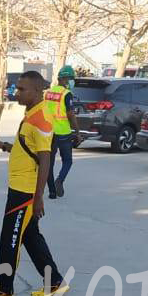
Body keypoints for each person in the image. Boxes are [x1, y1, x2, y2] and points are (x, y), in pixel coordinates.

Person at [0, 71, 68, 296]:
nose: (17, 93)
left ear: (37, 91)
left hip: (25, 192)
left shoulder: (41, 119)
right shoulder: (31, 114)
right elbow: (25, 149)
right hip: (19, 186)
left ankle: (4, 288)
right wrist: (2, 145)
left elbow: (45, 159)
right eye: (17, 88)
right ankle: (54, 282)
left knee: (10, 238)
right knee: (29, 236)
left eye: (22, 89)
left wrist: (38, 198)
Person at [44, 65, 80, 199]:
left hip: (48, 132)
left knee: (49, 163)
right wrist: (77, 132)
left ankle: (52, 192)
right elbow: (71, 115)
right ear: (64, 79)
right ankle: (60, 180)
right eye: (71, 79)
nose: (72, 81)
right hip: (63, 133)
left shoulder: (48, 93)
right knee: (68, 160)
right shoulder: (66, 94)